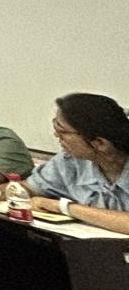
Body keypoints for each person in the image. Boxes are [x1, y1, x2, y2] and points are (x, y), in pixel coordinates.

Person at [26, 93, 129, 233]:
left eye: (62, 132)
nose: (56, 136)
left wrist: (65, 207)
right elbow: (30, 188)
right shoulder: (70, 161)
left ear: (100, 143)